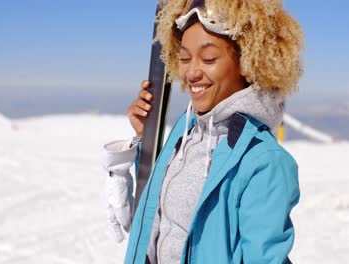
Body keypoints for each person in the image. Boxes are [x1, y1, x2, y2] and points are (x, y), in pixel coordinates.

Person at [104, 0, 303, 263]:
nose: (192, 72)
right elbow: (156, 216)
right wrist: (144, 138)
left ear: (247, 61)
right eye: (184, 58)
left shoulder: (264, 162)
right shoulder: (185, 132)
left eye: (208, 58)